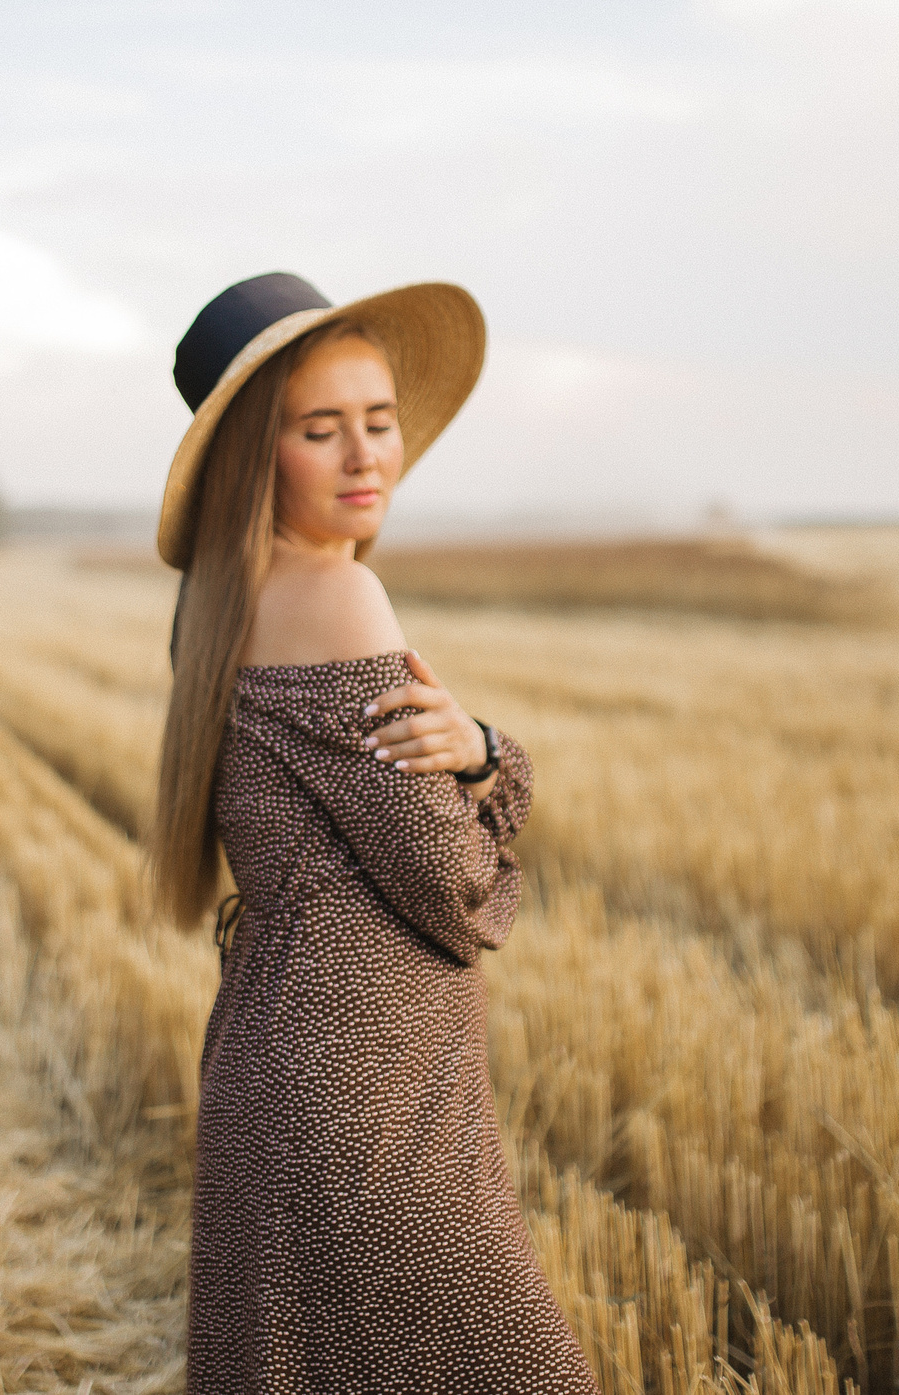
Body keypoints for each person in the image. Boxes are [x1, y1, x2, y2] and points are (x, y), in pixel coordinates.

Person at [153, 273, 596, 1393]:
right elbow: (447, 881)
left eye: (379, 421)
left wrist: (477, 754)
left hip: (273, 1067)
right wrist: (498, 764)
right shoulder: (340, 601)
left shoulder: (217, 600)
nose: (365, 458)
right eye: (320, 430)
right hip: (366, 1095)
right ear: (261, 453)